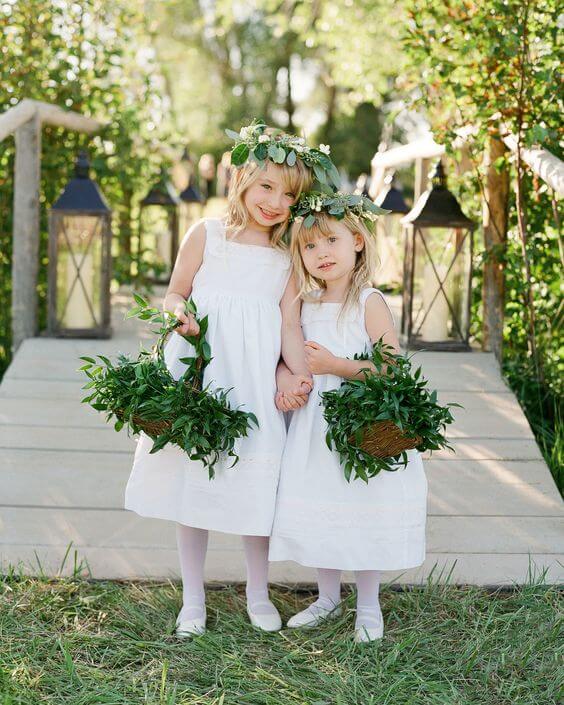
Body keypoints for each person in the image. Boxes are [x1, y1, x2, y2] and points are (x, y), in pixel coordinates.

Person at [124, 123, 341, 638]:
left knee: (256, 484)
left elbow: (289, 324)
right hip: (198, 373)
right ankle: (192, 599)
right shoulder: (207, 235)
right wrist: (181, 315)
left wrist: (300, 373)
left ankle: (257, 591)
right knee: (192, 481)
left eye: (289, 194)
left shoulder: (287, 256)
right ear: (242, 178)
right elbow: (175, 292)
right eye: (266, 186)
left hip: (251, 384)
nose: (275, 201)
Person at [270, 192, 428, 642]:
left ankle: (368, 604)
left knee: (363, 506)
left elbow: (392, 366)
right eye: (309, 246)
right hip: (317, 425)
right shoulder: (305, 302)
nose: (321, 254)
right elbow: (294, 358)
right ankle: (326, 596)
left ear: (357, 241)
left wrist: (339, 366)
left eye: (331, 242)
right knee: (325, 505)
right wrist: (290, 380)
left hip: (361, 424)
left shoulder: (368, 301)